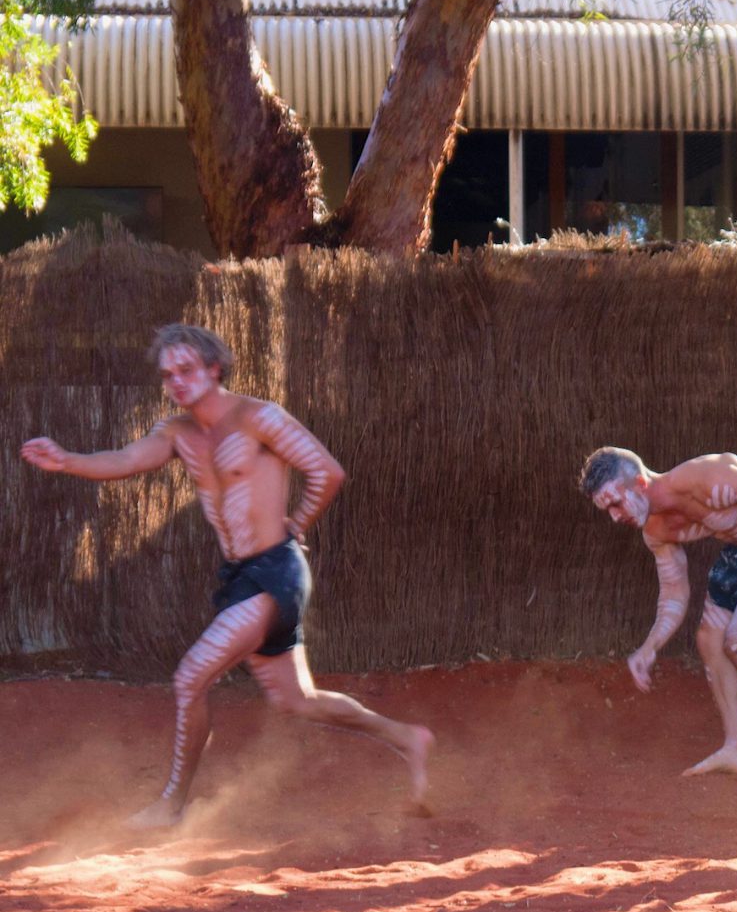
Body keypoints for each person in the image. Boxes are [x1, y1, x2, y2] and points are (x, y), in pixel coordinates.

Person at [21, 323, 434, 828]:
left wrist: (297, 523)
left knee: (190, 676)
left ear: (214, 368)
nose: (176, 381)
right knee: (295, 700)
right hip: (240, 577)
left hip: (277, 572)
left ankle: (172, 805)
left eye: (187, 369)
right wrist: (67, 461)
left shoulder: (259, 417)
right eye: (168, 374)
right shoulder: (177, 433)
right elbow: (126, 460)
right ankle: (408, 739)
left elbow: (328, 471)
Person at [579, 447, 737, 775]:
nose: (615, 517)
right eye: (607, 510)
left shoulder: (708, 476)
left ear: (640, 484)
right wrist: (650, 647)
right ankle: (736, 747)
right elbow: (674, 596)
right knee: (709, 639)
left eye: (616, 503)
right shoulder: (656, 532)